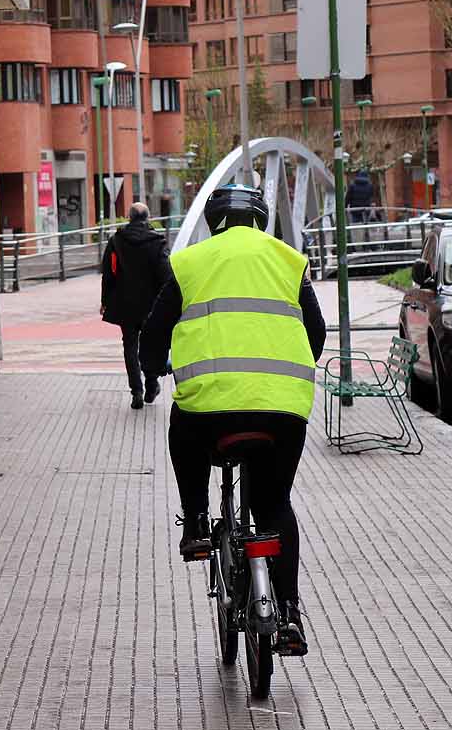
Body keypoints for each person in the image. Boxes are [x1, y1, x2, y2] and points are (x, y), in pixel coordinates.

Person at [139, 185, 326, 655]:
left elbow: (154, 332)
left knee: (182, 425)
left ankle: (198, 521)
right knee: (274, 504)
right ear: (261, 219)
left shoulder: (192, 263)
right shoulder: (288, 261)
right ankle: (287, 614)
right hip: (282, 411)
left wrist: (154, 367)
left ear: (212, 220)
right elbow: (316, 332)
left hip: (212, 412)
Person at [100, 202, 171, 410]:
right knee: (150, 343)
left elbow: (108, 273)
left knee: (130, 346)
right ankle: (151, 384)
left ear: (128, 217)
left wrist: (105, 301)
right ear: (148, 217)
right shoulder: (157, 242)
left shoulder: (116, 241)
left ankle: (136, 392)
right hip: (151, 305)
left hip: (125, 304)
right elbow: (166, 275)